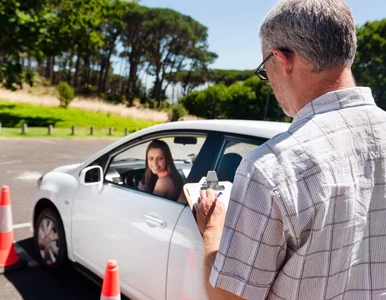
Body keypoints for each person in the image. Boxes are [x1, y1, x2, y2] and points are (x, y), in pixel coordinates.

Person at [197, 0, 386, 299]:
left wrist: (211, 232)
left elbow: (228, 297)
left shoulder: (271, 167)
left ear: (282, 60)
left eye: (264, 70)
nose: (268, 80)